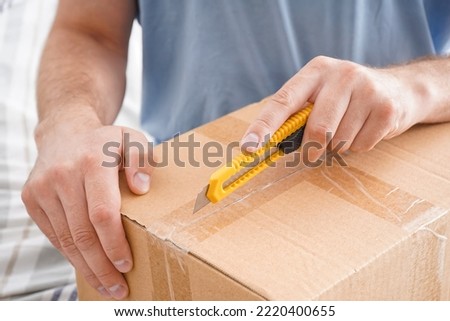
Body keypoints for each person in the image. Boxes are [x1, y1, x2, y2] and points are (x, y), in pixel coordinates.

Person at [21, 0, 450, 300]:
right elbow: (89, 29)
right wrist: (67, 120)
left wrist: (411, 85)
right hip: (177, 168)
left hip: (390, 155)